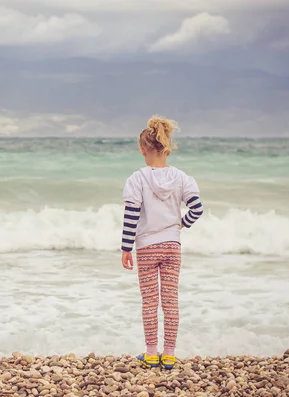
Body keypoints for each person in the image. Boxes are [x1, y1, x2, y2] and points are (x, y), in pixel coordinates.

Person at [120, 115, 203, 370]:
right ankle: (169, 353)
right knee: (170, 300)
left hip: (146, 247)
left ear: (143, 149)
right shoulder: (181, 178)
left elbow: (131, 216)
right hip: (172, 246)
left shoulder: (137, 178)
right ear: (166, 148)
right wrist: (181, 224)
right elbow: (197, 208)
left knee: (150, 301)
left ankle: (151, 353)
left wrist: (125, 248)